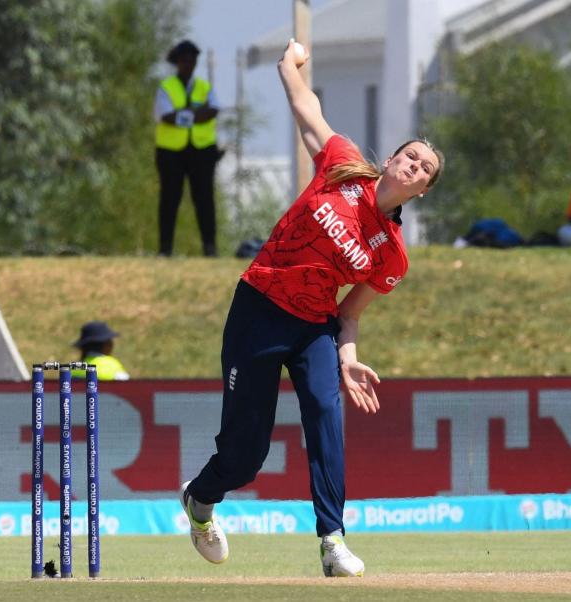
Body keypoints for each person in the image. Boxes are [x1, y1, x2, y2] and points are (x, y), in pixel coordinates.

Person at [179, 39, 444, 577]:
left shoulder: (392, 256)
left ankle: (332, 540)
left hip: (313, 328)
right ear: (391, 159)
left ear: (421, 191)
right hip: (259, 307)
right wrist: (288, 66)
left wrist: (347, 357)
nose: (414, 166)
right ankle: (201, 499)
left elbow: (350, 314)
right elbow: (307, 110)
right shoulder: (344, 165)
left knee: (325, 415)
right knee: (245, 456)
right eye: (410, 155)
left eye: (425, 169)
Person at [155, 40, 221, 257]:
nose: (189, 63)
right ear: (178, 61)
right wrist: (195, 115)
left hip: (201, 150)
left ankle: (209, 248)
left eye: (192, 59)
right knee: (169, 199)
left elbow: (212, 111)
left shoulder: (204, 87)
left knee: (204, 200)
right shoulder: (166, 87)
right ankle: (165, 249)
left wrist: (182, 114)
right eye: (184, 59)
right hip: (171, 152)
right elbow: (165, 116)